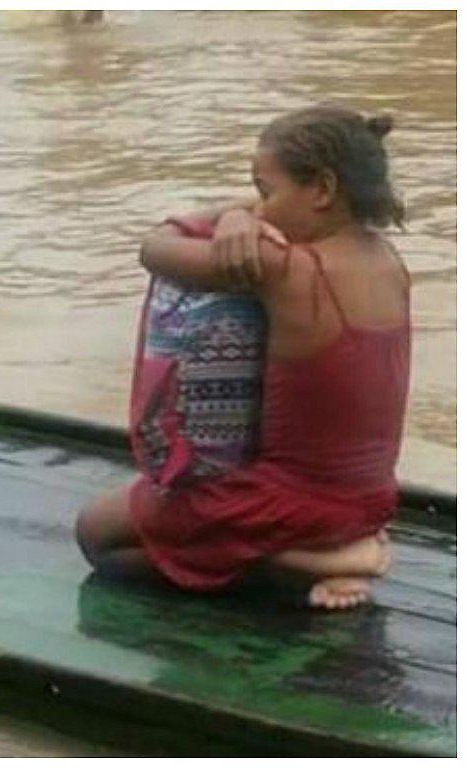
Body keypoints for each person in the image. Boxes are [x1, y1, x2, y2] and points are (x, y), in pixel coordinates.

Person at [76, 106, 411, 610]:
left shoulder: (280, 268)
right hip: (369, 501)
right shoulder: (388, 259)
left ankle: (319, 563)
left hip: (287, 506)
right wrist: (242, 214)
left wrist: (228, 217)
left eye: (265, 192)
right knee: (149, 534)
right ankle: (330, 550)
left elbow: (156, 248)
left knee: (98, 538)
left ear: (321, 190)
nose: (259, 210)